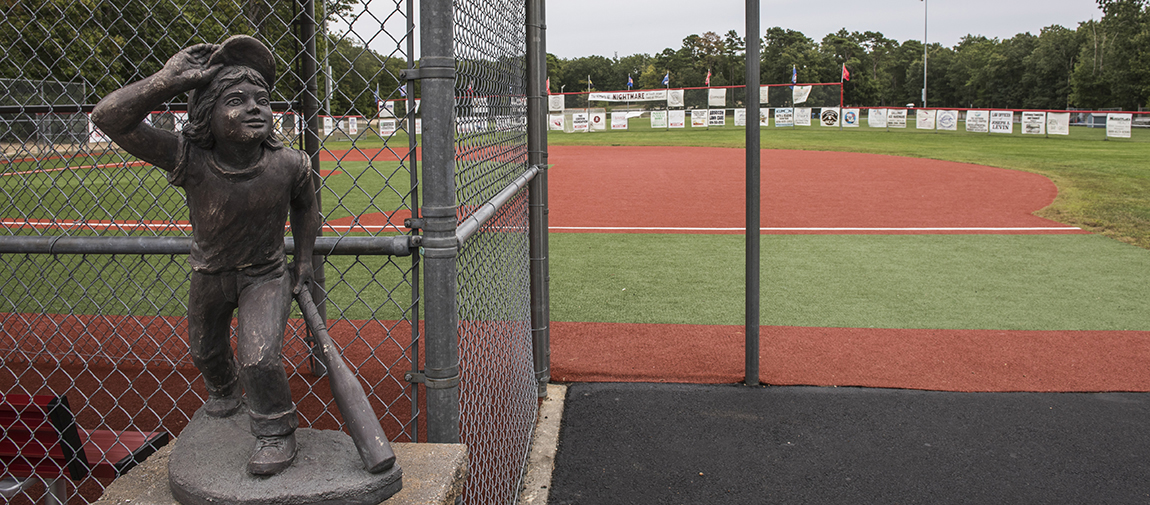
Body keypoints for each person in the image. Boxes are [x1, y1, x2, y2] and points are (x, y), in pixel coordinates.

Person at [91, 36, 319, 476]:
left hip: (265, 276)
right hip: (209, 275)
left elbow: (306, 208)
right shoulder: (189, 157)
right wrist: (164, 81)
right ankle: (225, 394)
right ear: (206, 116)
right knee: (205, 351)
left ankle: (275, 431)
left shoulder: (290, 163)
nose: (254, 108)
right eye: (236, 100)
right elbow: (109, 118)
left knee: (259, 357)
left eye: (262, 100)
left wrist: (305, 260)